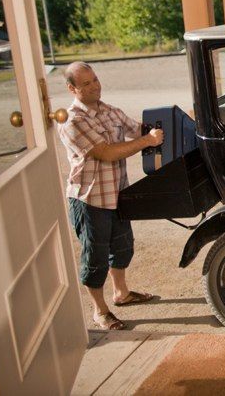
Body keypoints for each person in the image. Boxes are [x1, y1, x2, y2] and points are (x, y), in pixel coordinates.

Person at [57, 61, 164, 331]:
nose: (95, 86)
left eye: (95, 80)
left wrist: (172, 123)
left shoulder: (109, 111)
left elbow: (138, 129)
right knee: (95, 255)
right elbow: (107, 152)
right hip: (89, 199)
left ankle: (121, 293)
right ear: (72, 89)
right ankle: (100, 311)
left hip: (116, 195)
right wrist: (148, 141)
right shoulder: (72, 121)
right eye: (86, 84)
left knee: (123, 246)